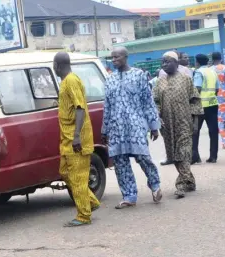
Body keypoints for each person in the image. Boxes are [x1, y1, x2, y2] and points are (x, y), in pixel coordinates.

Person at [102, 47, 162, 209]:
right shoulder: (110, 79)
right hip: (116, 127)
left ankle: (155, 185)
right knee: (120, 162)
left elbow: (147, 101)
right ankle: (129, 195)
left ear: (126, 57)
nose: (114, 60)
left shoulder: (139, 75)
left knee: (143, 157)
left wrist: (153, 126)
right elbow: (107, 106)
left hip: (136, 125)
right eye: (112, 57)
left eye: (117, 57)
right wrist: (105, 129)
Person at [53, 52, 100, 227]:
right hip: (67, 139)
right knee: (65, 172)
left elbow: (80, 109)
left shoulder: (71, 80)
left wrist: (77, 136)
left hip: (75, 138)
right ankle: (91, 202)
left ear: (57, 65)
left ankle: (83, 216)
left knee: (78, 177)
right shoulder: (65, 82)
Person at [153, 52, 203, 198]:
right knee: (174, 155)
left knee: (183, 152)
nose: (164, 65)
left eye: (167, 62)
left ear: (176, 63)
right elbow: (155, 101)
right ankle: (190, 181)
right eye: (162, 62)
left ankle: (180, 185)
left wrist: (195, 122)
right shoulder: (159, 81)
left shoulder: (186, 79)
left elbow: (195, 100)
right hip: (166, 124)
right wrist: (156, 117)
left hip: (184, 122)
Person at [192, 53, 220, 163]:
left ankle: (195, 157)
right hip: (213, 105)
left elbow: (197, 88)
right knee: (213, 131)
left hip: (200, 106)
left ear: (197, 62)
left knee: (195, 131)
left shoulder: (199, 72)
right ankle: (213, 156)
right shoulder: (213, 72)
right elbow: (217, 89)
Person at [210, 52, 225, 149]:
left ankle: (224, 143)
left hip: (215, 97)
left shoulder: (210, 70)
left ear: (212, 59)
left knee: (220, 120)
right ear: (221, 58)